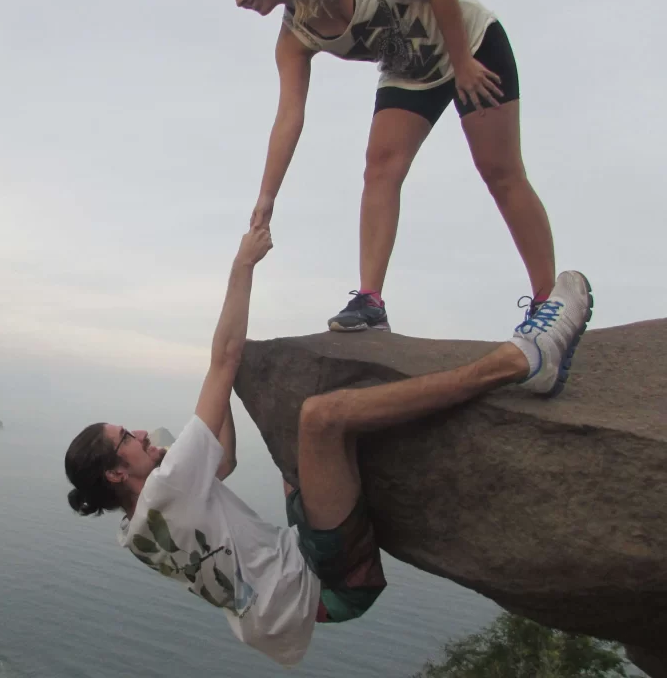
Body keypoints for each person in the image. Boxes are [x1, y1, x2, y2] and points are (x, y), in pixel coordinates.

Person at [63, 226, 593, 666]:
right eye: (126, 440)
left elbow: (223, 461)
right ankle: (521, 361)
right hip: (327, 583)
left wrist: (218, 380)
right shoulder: (169, 487)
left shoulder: (134, 533)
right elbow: (223, 362)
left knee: (295, 454)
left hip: (296, 584)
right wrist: (242, 268)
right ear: (114, 474)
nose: (138, 434)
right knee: (320, 419)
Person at [216, 0, 557, 334]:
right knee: (379, 168)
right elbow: (289, 116)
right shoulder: (293, 39)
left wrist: (463, 61)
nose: (239, 0)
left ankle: (548, 302)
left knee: (499, 170)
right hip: (411, 72)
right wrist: (266, 198)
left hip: (469, 42)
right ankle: (370, 302)